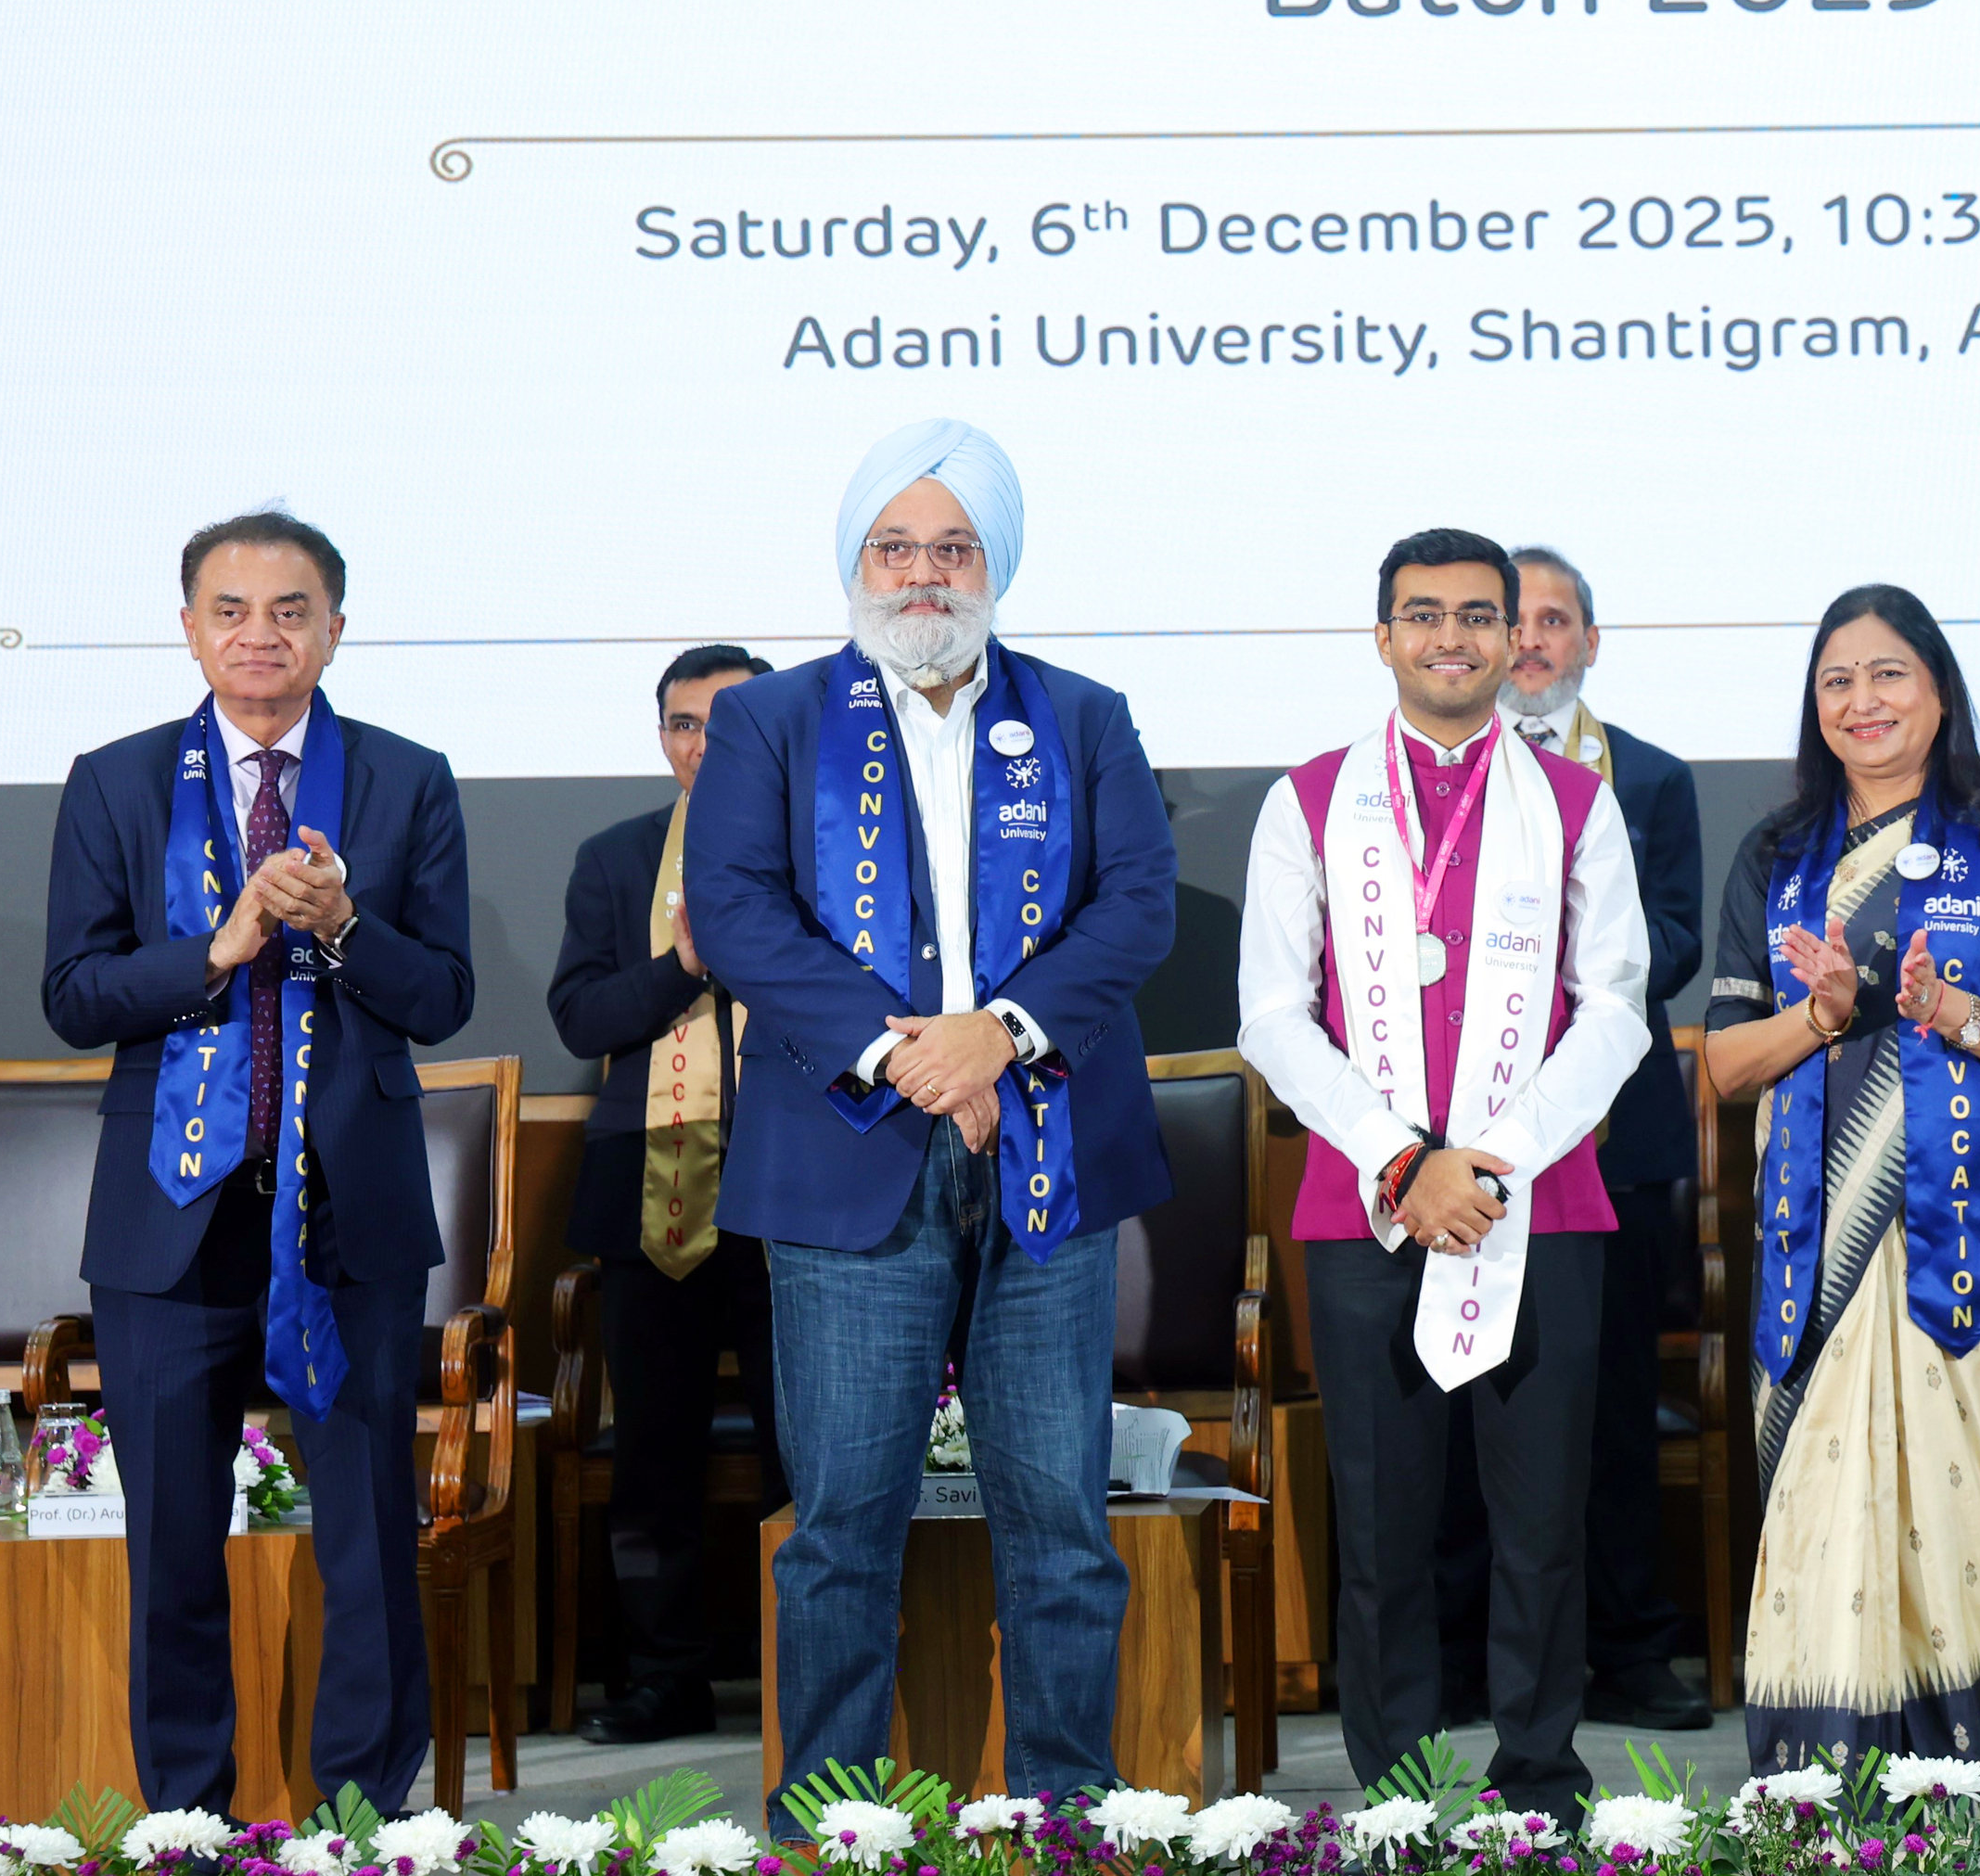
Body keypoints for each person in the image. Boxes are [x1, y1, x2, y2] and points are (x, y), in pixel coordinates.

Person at [687, 419, 1181, 1810]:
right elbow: (736, 911)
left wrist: (997, 1036)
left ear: (995, 565)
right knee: (841, 1529)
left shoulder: (1082, 714)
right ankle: (831, 1824)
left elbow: (1137, 905)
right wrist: (901, 1056)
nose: (922, 573)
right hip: (849, 1160)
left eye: (953, 547)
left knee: (1061, 1525)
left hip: (1049, 1155)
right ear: (855, 565)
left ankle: (1065, 1813)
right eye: (893, 547)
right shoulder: (771, 719)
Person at [43, 510, 475, 1813]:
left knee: (368, 1539)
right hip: (172, 1218)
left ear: (335, 629)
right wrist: (216, 951)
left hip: (349, 1217)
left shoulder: (406, 778)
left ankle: (365, 1816)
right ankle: (186, 1817)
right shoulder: (116, 781)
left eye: (291, 612)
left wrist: (344, 925)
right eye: (230, 611)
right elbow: (73, 995)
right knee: (174, 1541)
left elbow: (444, 996)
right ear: (189, 629)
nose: (260, 636)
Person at [1234, 529, 1653, 1813]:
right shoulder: (1309, 798)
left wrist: (1490, 1162)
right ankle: (1400, 1793)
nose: (1453, 638)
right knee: (1382, 1526)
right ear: (1384, 638)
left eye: (1480, 615)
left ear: (1516, 639)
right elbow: (1270, 1015)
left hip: (1543, 1204)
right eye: (1425, 615)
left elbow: (1618, 1005)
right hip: (1365, 1209)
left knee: (1542, 1523)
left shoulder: (1576, 801)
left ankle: (1540, 1780)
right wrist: (1404, 1161)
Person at [1703, 584, 1980, 1781]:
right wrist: (1821, 1015)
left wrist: (1949, 1009)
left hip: (1978, 1235)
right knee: (1820, 1506)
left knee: (1955, 1510)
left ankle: (1961, 1793)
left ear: (1940, 693)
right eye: (1837, 681)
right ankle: (1815, 1792)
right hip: (1815, 1237)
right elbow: (1726, 1065)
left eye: (1888, 673)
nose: (1863, 701)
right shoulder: (1778, 856)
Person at [1430, 545, 1714, 1733]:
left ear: (1590, 643)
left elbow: (1676, 942)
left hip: (1611, 1144)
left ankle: (1632, 1650)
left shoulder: (1646, 778)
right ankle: (1462, 1658)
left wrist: (1555, 955)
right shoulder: (1426, 779)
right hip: (1456, 1143)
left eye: (1558, 622)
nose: (1535, 641)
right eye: (1520, 621)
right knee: (1460, 1407)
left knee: (1607, 1411)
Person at [547, 643, 784, 1743]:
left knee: (811, 1451)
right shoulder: (616, 859)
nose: (705, 745)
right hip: (648, 1192)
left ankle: (809, 1669)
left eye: (729, 724)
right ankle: (665, 1676)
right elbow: (582, 1018)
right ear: (663, 740)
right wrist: (685, 964)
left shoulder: (834, 849)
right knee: (653, 1453)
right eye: (685, 725)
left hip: (798, 1193)